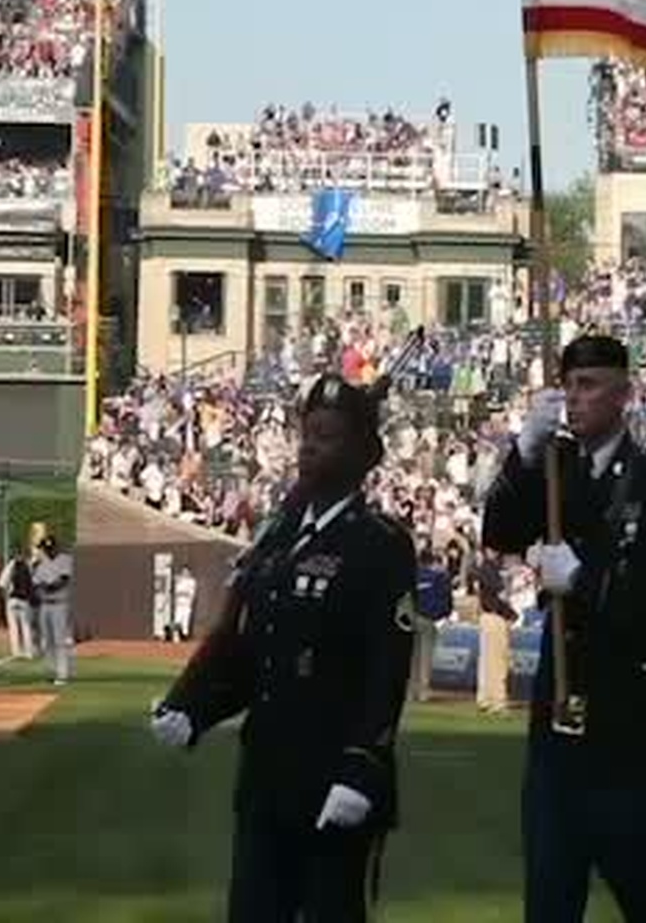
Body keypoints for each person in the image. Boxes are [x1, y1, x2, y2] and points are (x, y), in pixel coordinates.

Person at [149, 373, 418, 923]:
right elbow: (258, 656)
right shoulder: (281, 543)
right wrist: (196, 709)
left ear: (362, 454)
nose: (309, 447)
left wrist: (363, 768)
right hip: (267, 781)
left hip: (333, 783)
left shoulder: (379, 544)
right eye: (306, 435)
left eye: (327, 436)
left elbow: (386, 671)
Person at [482, 334, 646, 923]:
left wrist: (586, 580)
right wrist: (522, 456)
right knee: (550, 894)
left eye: (590, 385)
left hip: (623, 719)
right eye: (569, 385)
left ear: (623, 394)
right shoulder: (555, 468)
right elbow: (498, 531)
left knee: (641, 891)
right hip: (557, 720)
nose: (576, 398)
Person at [473, 550, 516, 713]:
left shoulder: (486, 568)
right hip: (495, 616)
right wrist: (511, 614)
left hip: (488, 616)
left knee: (487, 662)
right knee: (498, 662)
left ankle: (485, 699)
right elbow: (499, 596)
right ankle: (498, 702)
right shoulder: (489, 568)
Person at [31, 534, 75, 686]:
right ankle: (51, 671)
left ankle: (63, 674)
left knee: (59, 640)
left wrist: (47, 586)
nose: (47, 551)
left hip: (60, 604)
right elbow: (36, 584)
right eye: (44, 548)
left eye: (49, 548)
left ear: (55, 547)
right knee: (47, 641)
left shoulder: (65, 559)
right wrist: (43, 588)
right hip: (45, 604)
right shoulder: (40, 563)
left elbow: (63, 580)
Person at [411, 549, 454, 704]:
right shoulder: (439, 576)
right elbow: (446, 598)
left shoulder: (411, 575)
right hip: (429, 619)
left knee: (413, 658)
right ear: (432, 561)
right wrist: (444, 614)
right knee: (425, 658)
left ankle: (411, 692)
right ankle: (423, 692)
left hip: (412, 618)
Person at [5, 547, 39, 660]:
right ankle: (29, 652)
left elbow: (2, 583)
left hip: (12, 599)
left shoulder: (11, 565)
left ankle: (16, 652)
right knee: (26, 627)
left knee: (14, 628)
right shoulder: (27, 566)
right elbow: (32, 584)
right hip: (24, 600)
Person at [173, 563, 199, 643]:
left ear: (189, 572)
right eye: (183, 571)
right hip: (179, 604)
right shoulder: (179, 581)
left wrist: (187, 596)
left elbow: (191, 593)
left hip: (187, 605)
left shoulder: (192, 581)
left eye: (186, 571)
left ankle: (184, 640)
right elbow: (177, 592)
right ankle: (175, 638)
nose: (185, 573)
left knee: (185, 624)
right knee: (177, 621)